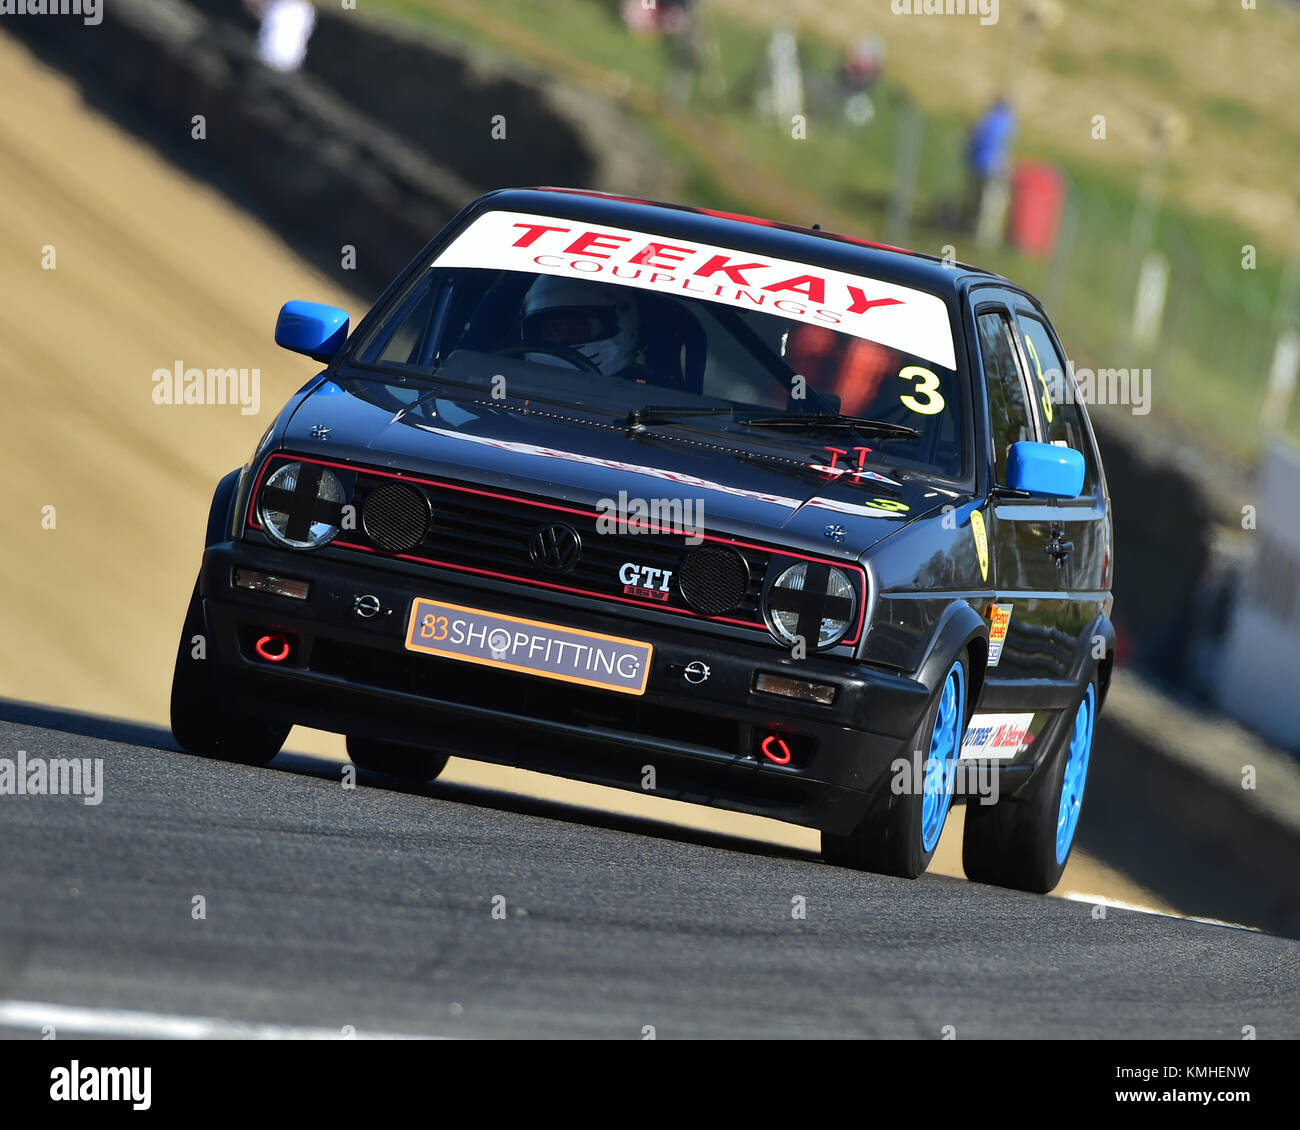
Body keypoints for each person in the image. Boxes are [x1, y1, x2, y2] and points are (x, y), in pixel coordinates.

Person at [519, 277, 647, 380]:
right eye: (553, 331)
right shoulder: (510, 382)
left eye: (577, 329)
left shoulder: (643, 398)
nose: (563, 337)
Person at [966, 96, 1017, 231]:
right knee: (989, 203)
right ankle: (983, 233)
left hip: (981, 164)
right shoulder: (1005, 122)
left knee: (981, 201)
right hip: (993, 166)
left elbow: (975, 136)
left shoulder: (989, 120)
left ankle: (977, 230)